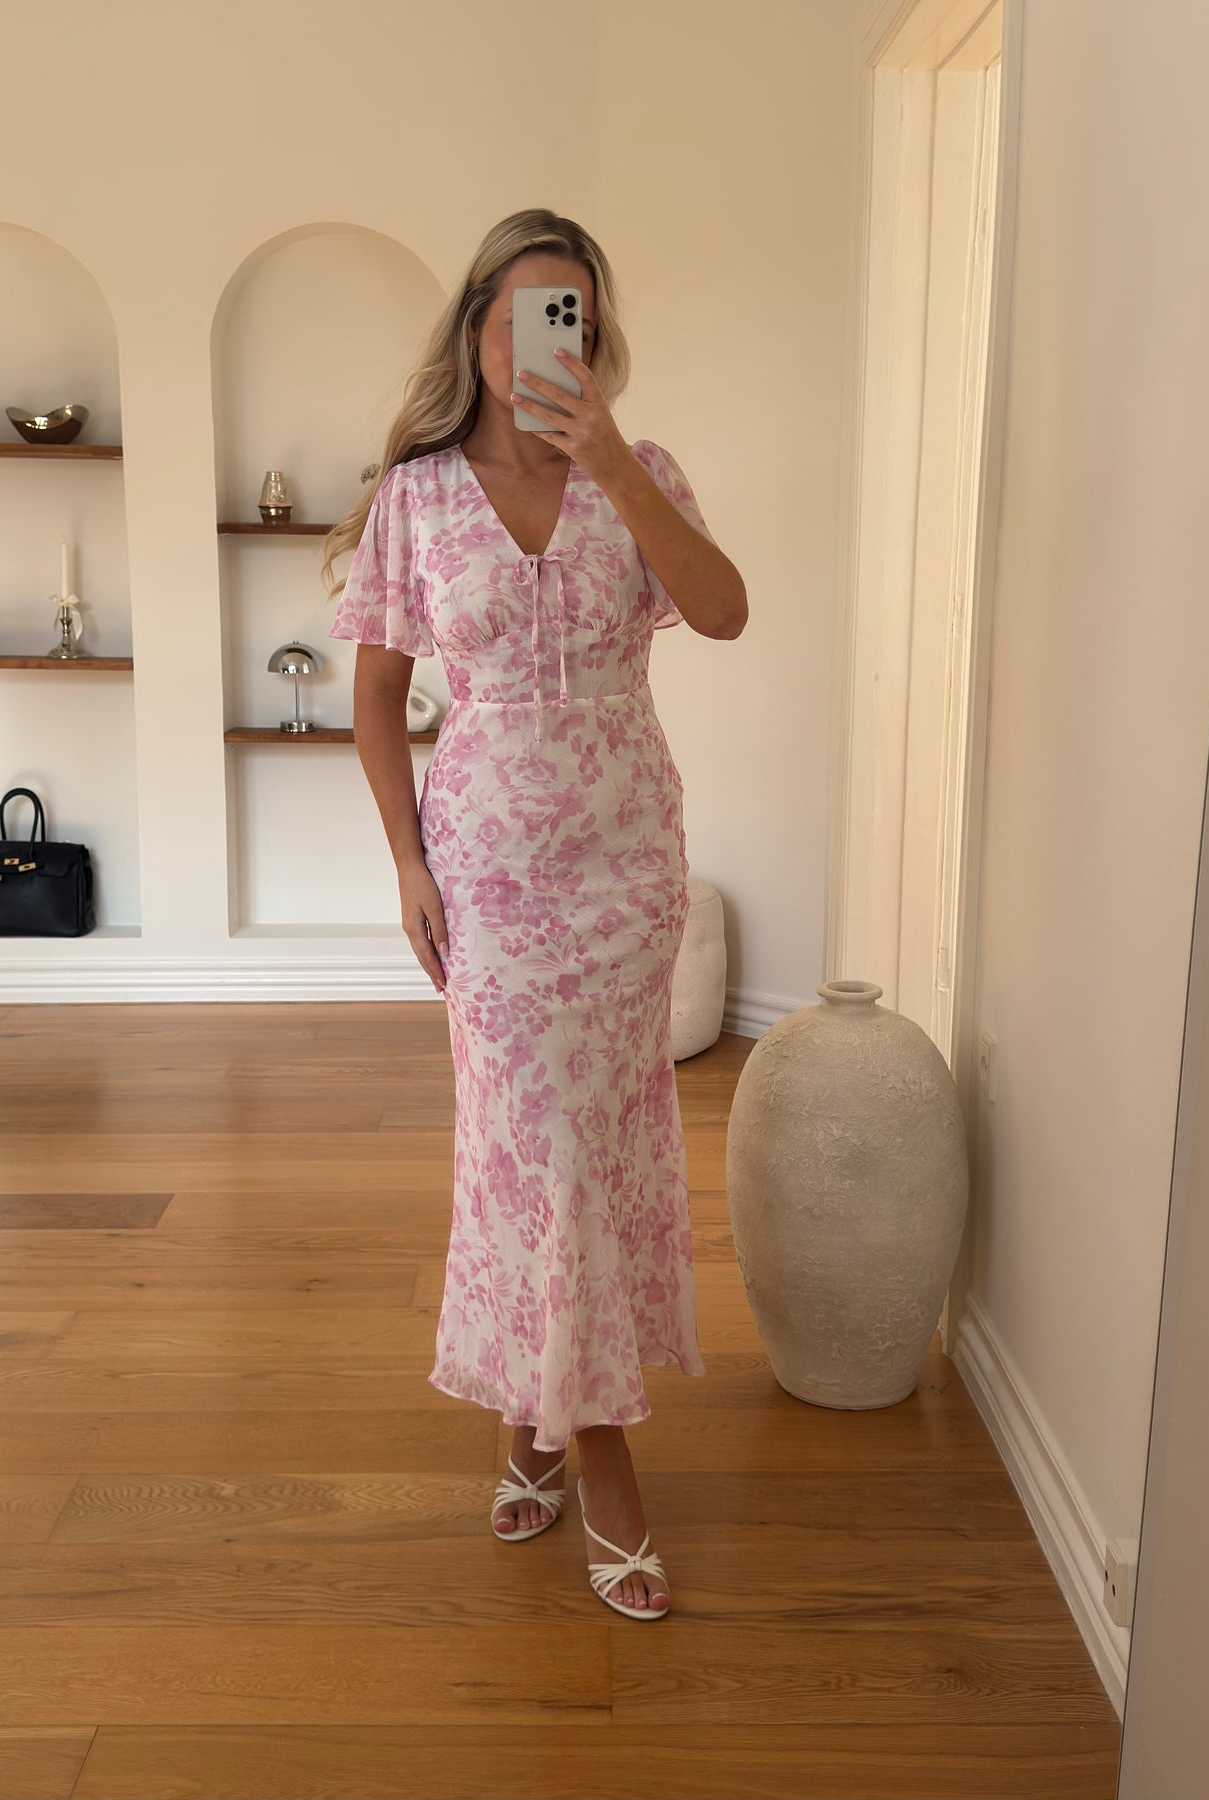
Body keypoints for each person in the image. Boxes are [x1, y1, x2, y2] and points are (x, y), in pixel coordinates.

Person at [323, 208, 748, 1618]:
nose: (541, 343)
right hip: (489, 871)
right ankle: (600, 1452)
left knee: (591, 1147)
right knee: (531, 1147)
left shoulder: (645, 469)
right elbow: (377, 698)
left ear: (596, 336)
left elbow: (724, 610)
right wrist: (407, 865)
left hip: (627, 868)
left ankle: (534, 1421)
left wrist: (612, 462)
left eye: (570, 316)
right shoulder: (417, 495)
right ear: (476, 331)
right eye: (518, 316)